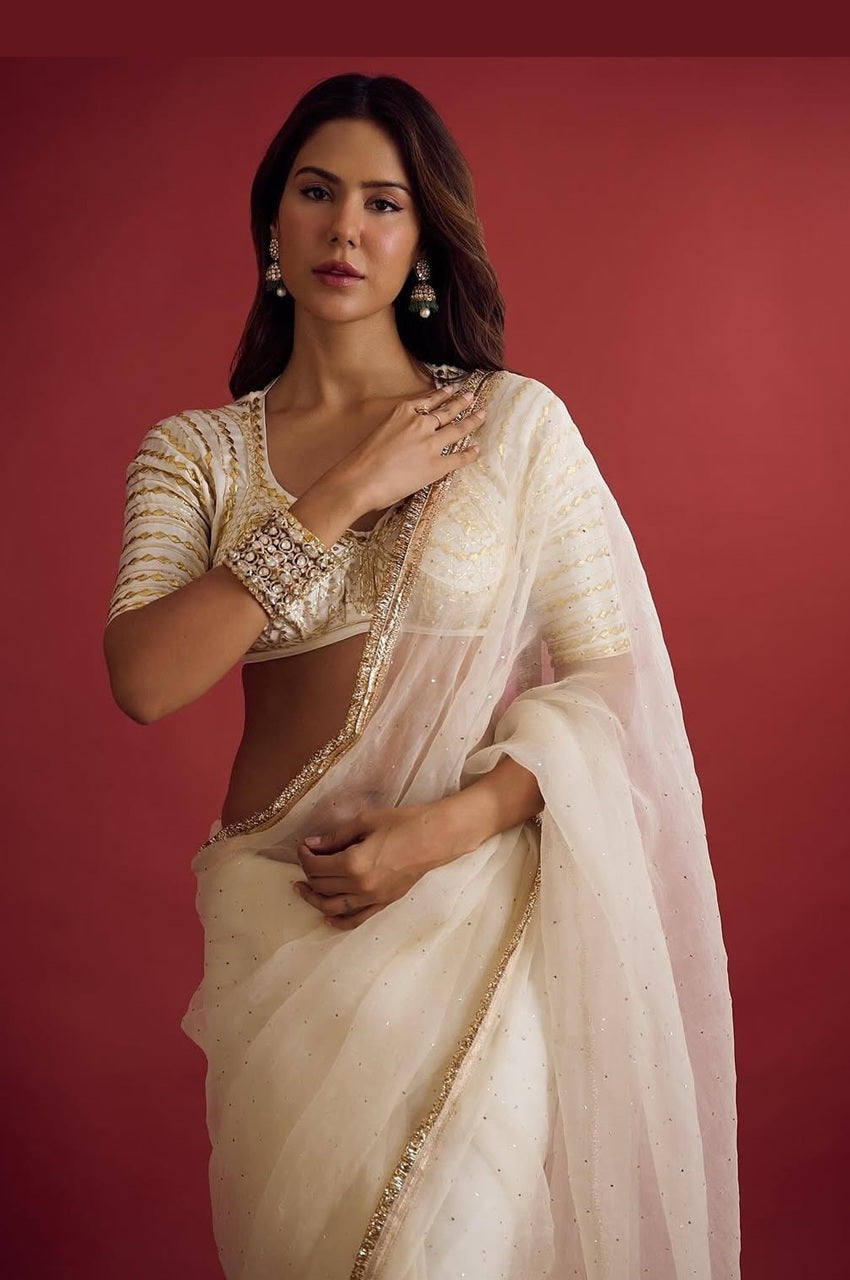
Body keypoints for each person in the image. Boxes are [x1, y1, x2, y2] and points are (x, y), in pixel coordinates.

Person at [103, 72, 740, 1280]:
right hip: (278, 928)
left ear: (420, 239)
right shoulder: (196, 455)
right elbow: (145, 676)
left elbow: (614, 689)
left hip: (466, 928)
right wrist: (343, 491)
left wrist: (441, 832)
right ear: (274, 228)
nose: (348, 227)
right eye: (317, 192)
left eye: (384, 203)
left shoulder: (512, 428)